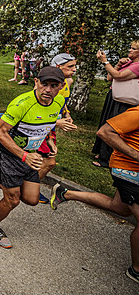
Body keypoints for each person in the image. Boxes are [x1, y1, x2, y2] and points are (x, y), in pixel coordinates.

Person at [0, 66, 66, 249]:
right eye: (44, 84)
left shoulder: (59, 101)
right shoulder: (22, 103)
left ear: (61, 86)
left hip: (31, 155)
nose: (48, 90)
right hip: (9, 154)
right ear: (36, 82)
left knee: (32, 199)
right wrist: (23, 155)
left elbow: (47, 123)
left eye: (54, 85)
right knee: (13, 199)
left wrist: (50, 141)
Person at [50, 106, 139, 284]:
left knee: (119, 208)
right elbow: (105, 132)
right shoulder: (137, 113)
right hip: (128, 169)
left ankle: (65, 193)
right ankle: (136, 270)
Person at [35, 53, 78, 203]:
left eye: (75, 66)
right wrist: (56, 122)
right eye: (70, 66)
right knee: (49, 162)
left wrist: (66, 113)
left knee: (41, 160)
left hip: (51, 124)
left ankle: (27, 187)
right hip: (41, 124)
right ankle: (30, 188)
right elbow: (37, 110)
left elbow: (61, 101)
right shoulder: (45, 84)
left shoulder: (68, 82)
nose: (74, 69)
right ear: (58, 67)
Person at [92, 42, 139, 168]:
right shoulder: (129, 63)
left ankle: (107, 159)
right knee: (107, 124)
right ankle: (103, 153)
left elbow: (118, 75)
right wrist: (118, 64)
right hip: (115, 98)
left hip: (126, 102)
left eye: (133, 49)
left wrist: (105, 61)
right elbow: (109, 77)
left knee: (114, 129)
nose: (130, 50)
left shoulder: (137, 66)